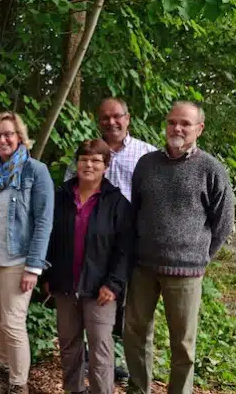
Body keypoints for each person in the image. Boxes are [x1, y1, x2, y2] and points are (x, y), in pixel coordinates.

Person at [124, 101, 235, 394]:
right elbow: (135, 211)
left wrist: (200, 257)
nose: (177, 128)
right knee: (135, 334)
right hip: (143, 268)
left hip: (186, 272)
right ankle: (138, 389)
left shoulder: (211, 169)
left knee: (183, 344)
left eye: (185, 123)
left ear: (199, 129)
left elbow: (224, 222)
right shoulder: (146, 164)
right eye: (172, 122)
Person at [64, 98, 156, 381]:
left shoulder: (147, 155)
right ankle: (101, 367)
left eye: (117, 116)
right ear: (98, 120)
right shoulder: (89, 153)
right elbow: (68, 194)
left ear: (128, 118)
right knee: (97, 313)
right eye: (105, 117)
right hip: (91, 251)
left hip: (133, 248)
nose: (111, 122)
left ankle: (133, 374)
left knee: (131, 317)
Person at [44, 139, 133, 394]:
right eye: (84, 159)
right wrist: (49, 274)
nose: (89, 165)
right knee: (69, 346)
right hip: (64, 285)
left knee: (100, 350)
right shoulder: (61, 197)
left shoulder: (117, 203)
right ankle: (74, 390)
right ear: (77, 163)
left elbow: (125, 249)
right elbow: (50, 238)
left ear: (106, 165)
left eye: (96, 160)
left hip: (100, 290)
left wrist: (114, 284)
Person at [0, 111, 54, 394]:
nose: (3, 139)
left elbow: (44, 221)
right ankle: (5, 371)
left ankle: (19, 385)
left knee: (12, 322)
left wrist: (34, 268)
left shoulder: (36, 171)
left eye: (8, 133)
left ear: (20, 137)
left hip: (18, 259)